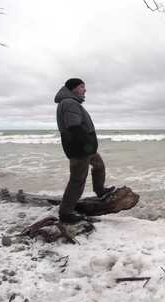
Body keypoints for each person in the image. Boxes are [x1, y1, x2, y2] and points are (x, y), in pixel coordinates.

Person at [54, 78, 114, 223]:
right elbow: (74, 127)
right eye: (82, 87)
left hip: (84, 147)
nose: (85, 90)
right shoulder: (69, 103)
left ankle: (100, 190)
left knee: (98, 165)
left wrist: (90, 146)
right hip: (79, 148)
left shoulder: (71, 102)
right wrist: (88, 145)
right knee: (77, 180)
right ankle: (66, 213)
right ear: (73, 88)